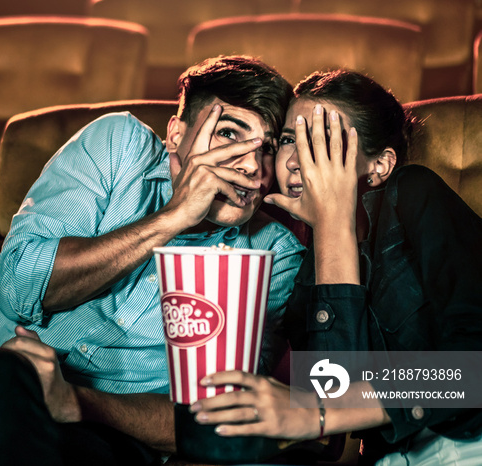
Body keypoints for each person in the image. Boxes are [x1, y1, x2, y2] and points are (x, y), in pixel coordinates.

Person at [0, 55, 305, 466]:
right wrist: (174, 217)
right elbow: (17, 285)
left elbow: (213, 420)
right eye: (229, 135)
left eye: (266, 149)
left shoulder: (274, 254)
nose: (251, 166)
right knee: (7, 375)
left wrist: (77, 401)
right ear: (176, 135)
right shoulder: (118, 145)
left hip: (105, 446)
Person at [185, 70, 482, 465]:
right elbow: (338, 391)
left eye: (320, 142)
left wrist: (316, 413)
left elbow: (469, 372)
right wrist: (332, 229)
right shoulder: (297, 264)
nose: (293, 161)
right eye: (289, 140)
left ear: (378, 166)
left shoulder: (413, 194)